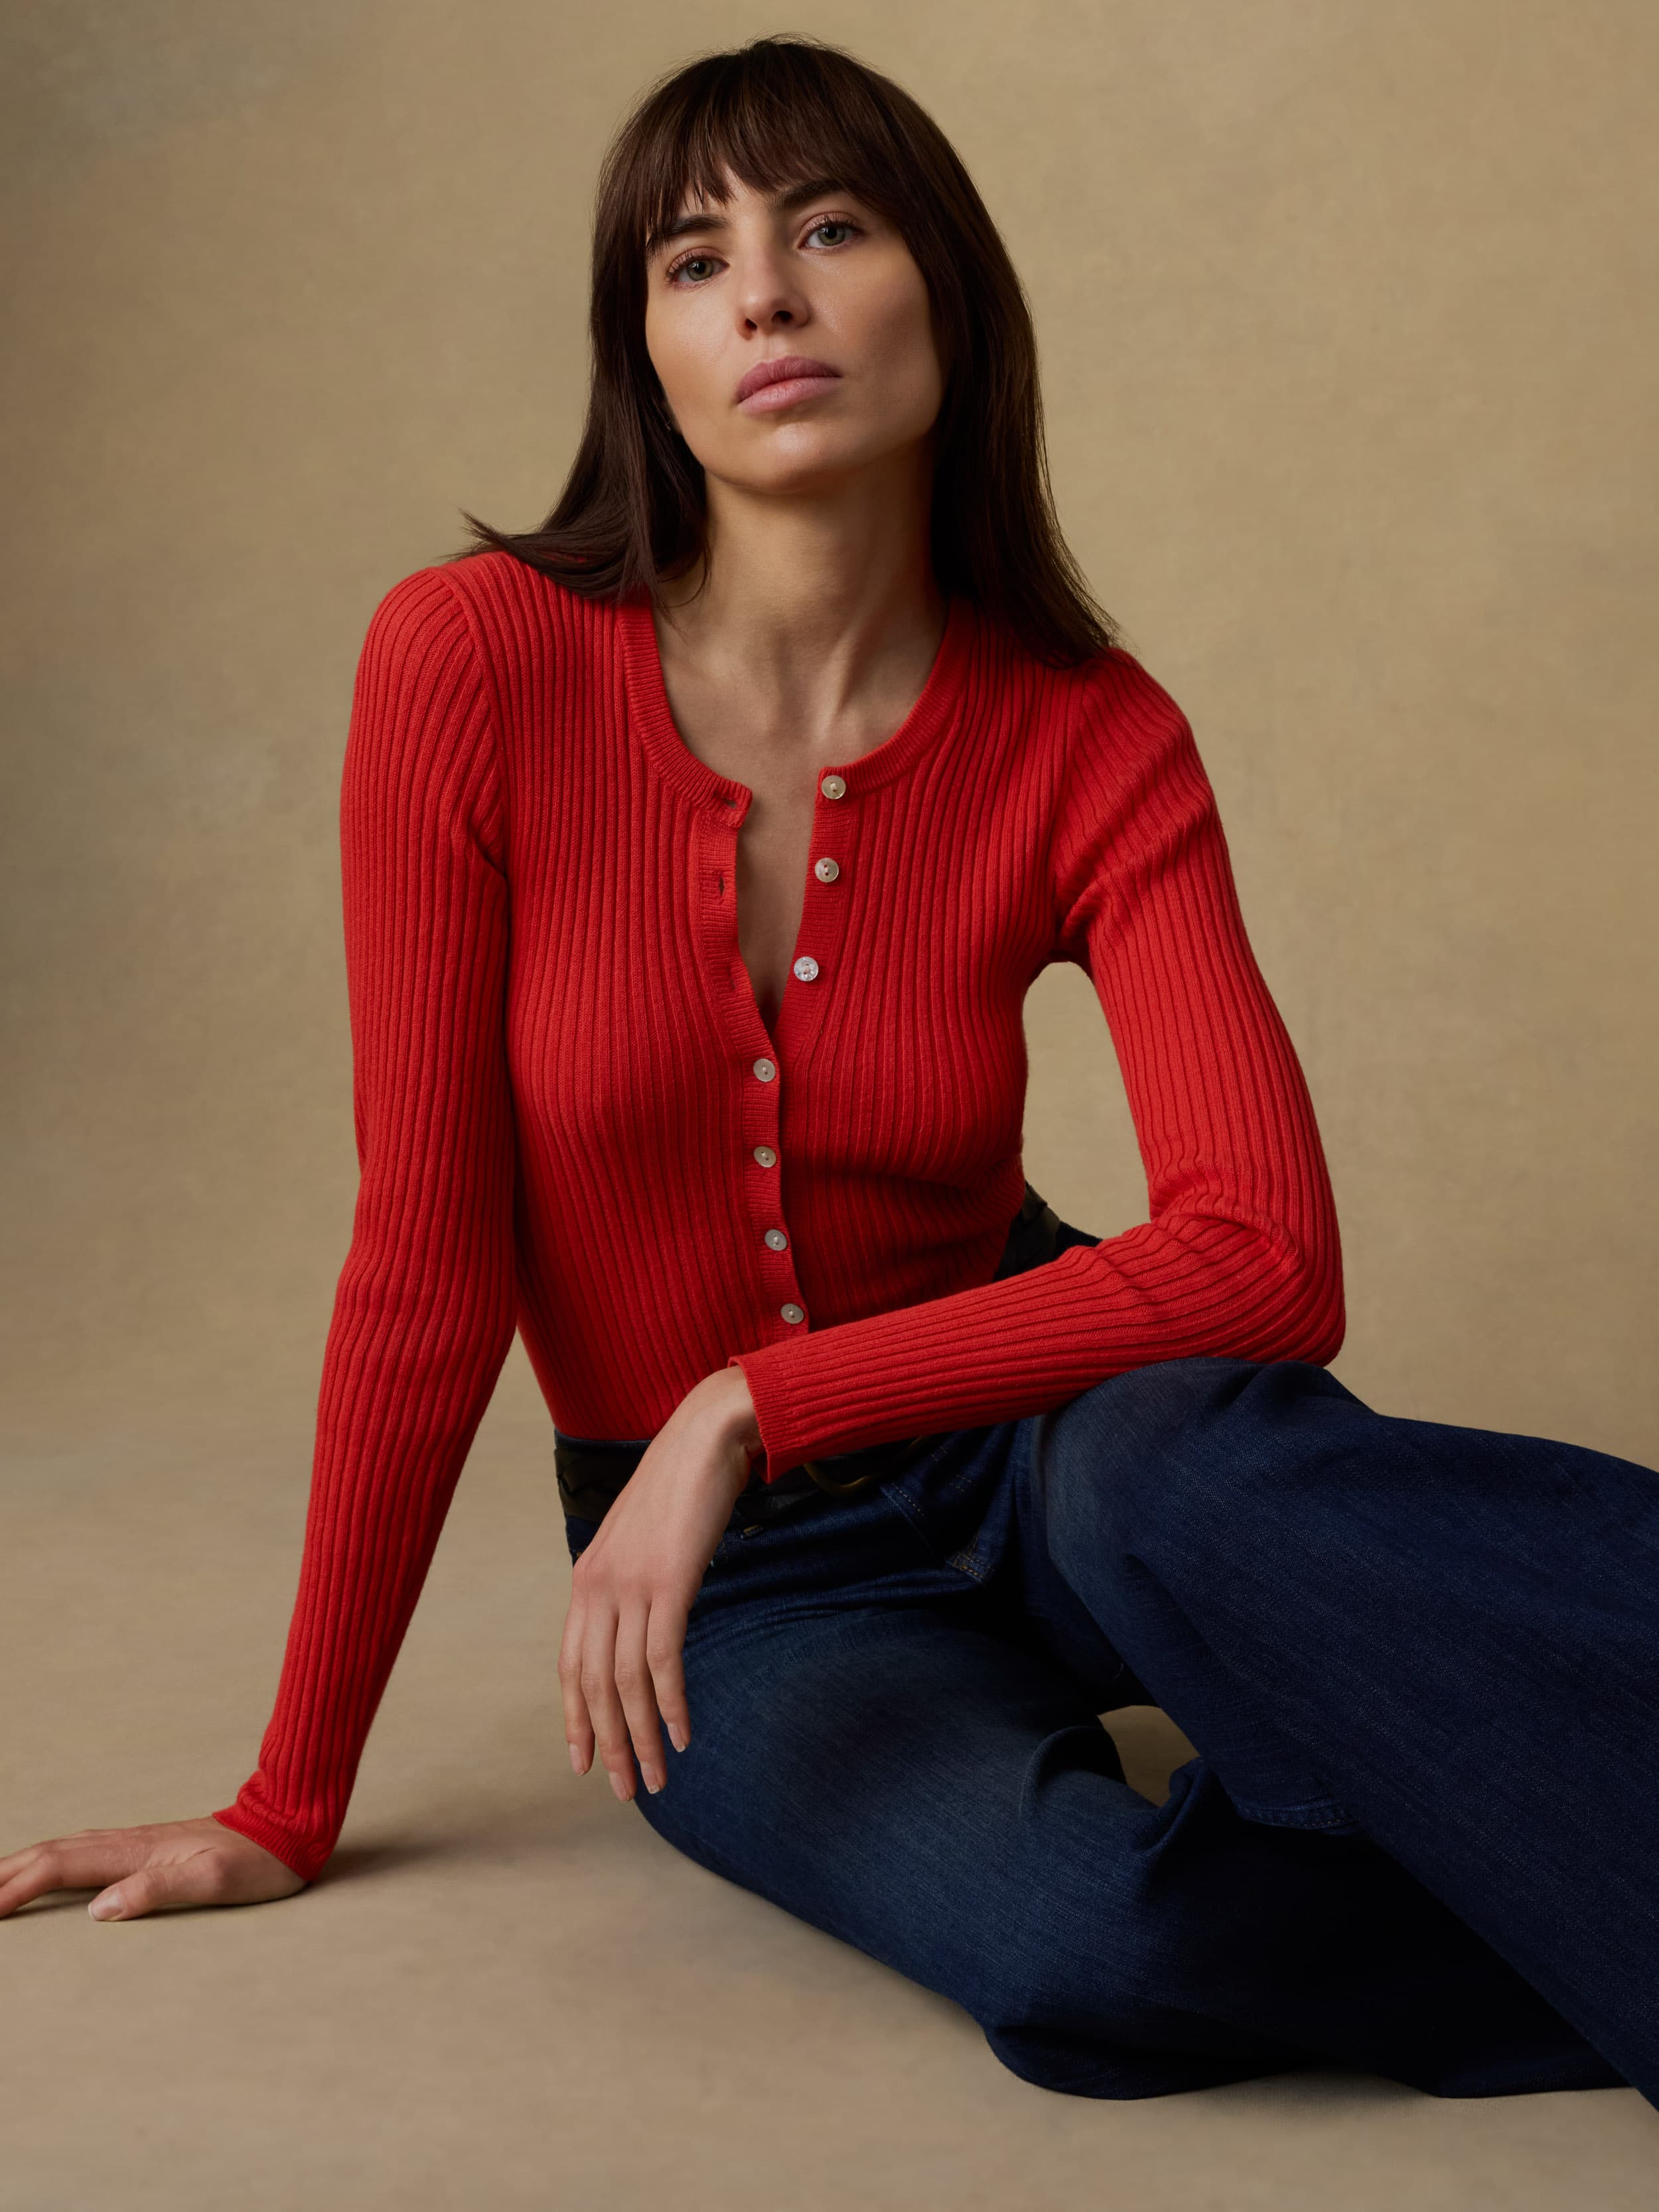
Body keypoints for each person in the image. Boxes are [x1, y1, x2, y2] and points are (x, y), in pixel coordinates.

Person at [3, 36, 1656, 2107]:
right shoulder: (470, 666)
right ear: (650, 359)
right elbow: (424, 1267)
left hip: (1055, 1430)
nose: (765, 293)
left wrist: (750, 1401)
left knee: (1207, 1473)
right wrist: (286, 1793)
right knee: (1095, 1940)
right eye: (694, 260)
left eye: (831, 229)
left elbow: (1263, 1264)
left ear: (943, 297)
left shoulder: (1087, 727)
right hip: (751, 1595)